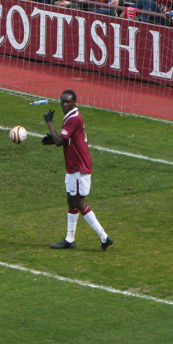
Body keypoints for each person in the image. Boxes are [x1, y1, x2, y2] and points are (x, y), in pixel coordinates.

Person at [43, 90, 113, 251]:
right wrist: (53, 140)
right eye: (63, 102)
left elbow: (60, 141)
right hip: (74, 166)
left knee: (79, 202)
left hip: (78, 166)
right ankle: (70, 239)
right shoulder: (71, 117)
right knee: (71, 199)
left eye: (68, 101)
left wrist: (49, 123)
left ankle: (104, 237)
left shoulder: (74, 118)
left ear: (75, 102)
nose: (65, 104)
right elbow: (66, 140)